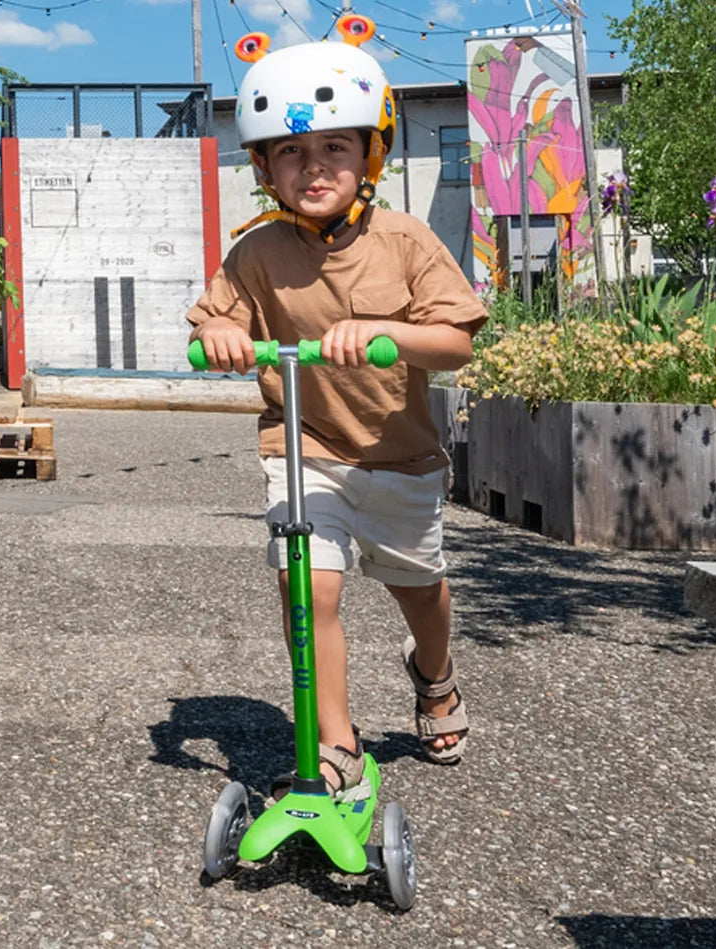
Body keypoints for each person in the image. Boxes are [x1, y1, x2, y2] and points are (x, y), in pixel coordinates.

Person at [186, 21, 488, 802]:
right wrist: (221, 332)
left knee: (421, 590)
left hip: (400, 457)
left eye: (334, 149)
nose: (313, 167)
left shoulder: (408, 241)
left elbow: (456, 342)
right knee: (307, 586)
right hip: (305, 450)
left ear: (371, 155)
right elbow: (217, 317)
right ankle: (337, 745)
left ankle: (434, 674)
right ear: (263, 166)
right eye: (290, 151)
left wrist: (389, 331)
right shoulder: (255, 252)